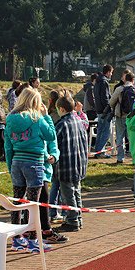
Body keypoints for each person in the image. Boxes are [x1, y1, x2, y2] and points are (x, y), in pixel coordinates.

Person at [4, 87, 57, 250]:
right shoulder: (37, 118)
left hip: (17, 161)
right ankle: (33, 240)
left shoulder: (10, 119)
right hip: (34, 161)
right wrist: (46, 116)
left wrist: (10, 165)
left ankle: (17, 238)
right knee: (33, 203)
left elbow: (7, 146)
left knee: (18, 201)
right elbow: (51, 135)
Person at [55, 93, 89, 231]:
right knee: (76, 192)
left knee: (68, 194)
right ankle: (78, 218)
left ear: (61, 109)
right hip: (79, 163)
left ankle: (72, 220)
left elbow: (54, 142)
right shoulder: (79, 121)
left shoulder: (62, 124)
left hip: (66, 165)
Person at [109, 71, 135, 164]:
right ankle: (134, 156)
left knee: (120, 137)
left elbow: (111, 102)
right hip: (132, 116)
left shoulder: (120, 89)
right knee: (132, 137)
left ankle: (120, 158)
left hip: (121, 115)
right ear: (133, 80)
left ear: (125, 79)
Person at [93, 64, 114, 157]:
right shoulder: (104, 82)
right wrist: (109, 109)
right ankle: (101, 151)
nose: (111, 74)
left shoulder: (97, 81)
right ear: (108, 72)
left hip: (99, 110)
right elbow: (105, 98)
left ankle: (97, 151)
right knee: (106, 132)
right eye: (111, 72)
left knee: (100, 131)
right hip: (105, 111)